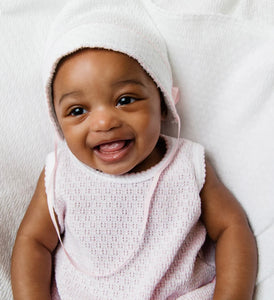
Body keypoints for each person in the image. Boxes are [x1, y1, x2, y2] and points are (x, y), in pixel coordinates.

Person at [11, 0, 257, 299]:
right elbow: (33, 242)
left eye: (125, 100)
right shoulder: (61, 174)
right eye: (77, 110)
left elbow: (232, 228)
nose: (103, 121)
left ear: (163, 102)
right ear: (58, 125)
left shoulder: (187, 165)